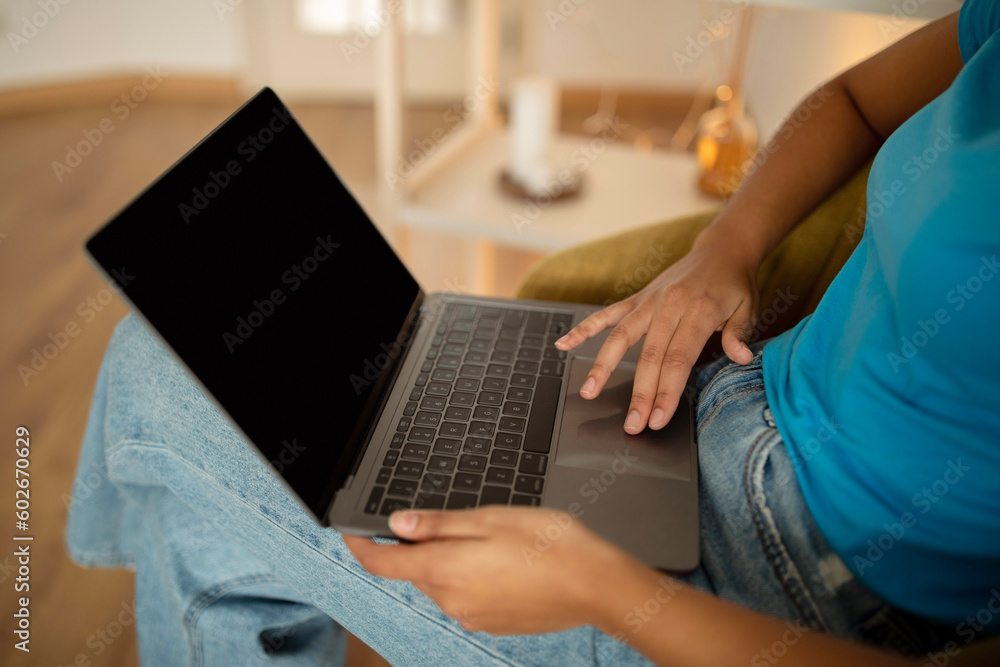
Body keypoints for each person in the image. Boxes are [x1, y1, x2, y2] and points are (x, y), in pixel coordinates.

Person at [68, 2, 999, 665]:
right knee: (293, 406)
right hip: (710, 393)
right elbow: (856, 101)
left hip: (770, 594)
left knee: (159, 389)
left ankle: (111, 534)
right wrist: (728, 246)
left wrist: (605, 592)